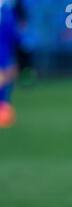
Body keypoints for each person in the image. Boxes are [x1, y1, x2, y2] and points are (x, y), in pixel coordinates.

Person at [0, 0, 19, 128]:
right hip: (4, 52)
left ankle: (4, 107)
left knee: (6, 77)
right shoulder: (7, 10)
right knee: (6, 77)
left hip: (5, 51)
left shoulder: (7, 10)